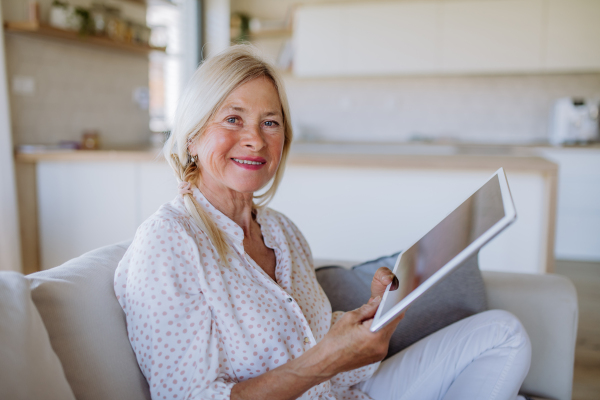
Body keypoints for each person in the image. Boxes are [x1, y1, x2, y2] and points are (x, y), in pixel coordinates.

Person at [114, 45, 532, 400]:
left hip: (346, 391)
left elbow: (307, 333)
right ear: (192, 134)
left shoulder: (281, 230)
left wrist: (367, 317)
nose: (255, 139)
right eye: (233, 118)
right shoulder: (168, 241)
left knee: (503, 333)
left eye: (270, 123)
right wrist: (328, 359)